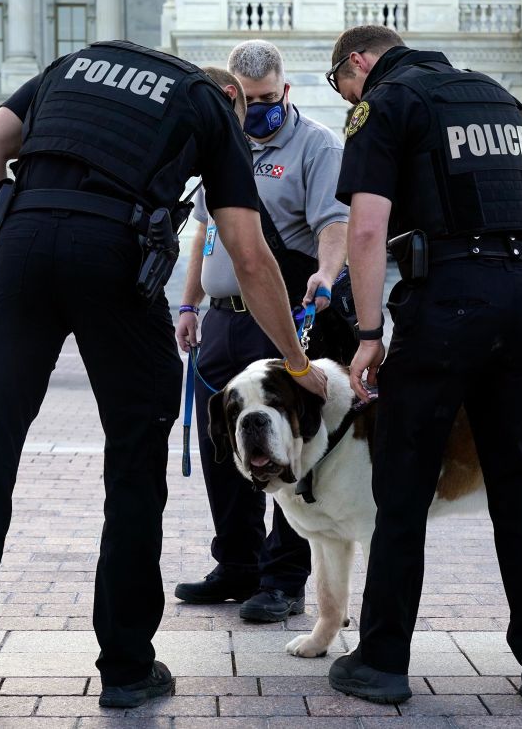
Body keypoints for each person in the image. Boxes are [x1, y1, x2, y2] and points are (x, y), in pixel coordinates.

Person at [0, 40, 327, 710]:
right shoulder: (206, 104)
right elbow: (251, 257)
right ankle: (127, 669)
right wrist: (296, 361)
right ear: (232, 96)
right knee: (135, 463)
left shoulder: (73, 65)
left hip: (21, 245)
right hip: (115, 254)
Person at [322, 25, 522, 705]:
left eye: (341, 84)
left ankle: (382, 662)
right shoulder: (497, 97)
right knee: (518, 477)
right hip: (520, 297)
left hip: (447, 302)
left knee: (403, 486)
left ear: (359, 62)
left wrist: (369, 332)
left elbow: (367, 227)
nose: (347, 95)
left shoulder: (388, 102)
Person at [173, 40, 349, 622]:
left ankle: (282, 578)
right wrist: (190, 305)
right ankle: (237, 564)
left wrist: (326, 273)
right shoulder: (221, 143)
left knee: (290, 446)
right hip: (221, 321)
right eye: (247, 101)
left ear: (285, 90)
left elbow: (334, 223)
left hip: (281, 323)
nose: (258, 109)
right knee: (222, 444)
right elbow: (202, 233)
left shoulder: (317, 145)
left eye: (268, 98)